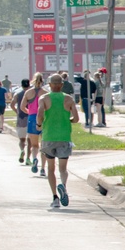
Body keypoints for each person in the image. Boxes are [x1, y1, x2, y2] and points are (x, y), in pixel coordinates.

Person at [37, 73, 80, 209]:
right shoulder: (68, 99)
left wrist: (39, 125)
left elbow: (40, 115)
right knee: (63, 168)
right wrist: (69, 120)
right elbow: (76, 119)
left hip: (49, 137)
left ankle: (55, 197)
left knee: (51, 168)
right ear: (61, 85)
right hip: (64, 137)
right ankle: (64, 186)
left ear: (49, 85)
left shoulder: (44, 98)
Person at [21, 73, 46, 175]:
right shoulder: (45, 93)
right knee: (44, 145)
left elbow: (22, 107)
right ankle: (43, 169)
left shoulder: (28, 92)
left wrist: (29, 111)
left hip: (32, 118)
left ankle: (35, 158)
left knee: (34, 145)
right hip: (43, 119)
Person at [13, 78, 31, 163]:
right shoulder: (31, 94)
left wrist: (17, 111)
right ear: (29, 84)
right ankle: (28, 158)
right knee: (30, 140)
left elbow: (12, 104)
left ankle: (22, 150)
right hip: (30, 117)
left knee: (21, 140)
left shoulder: (18, 94)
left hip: (20, 118)